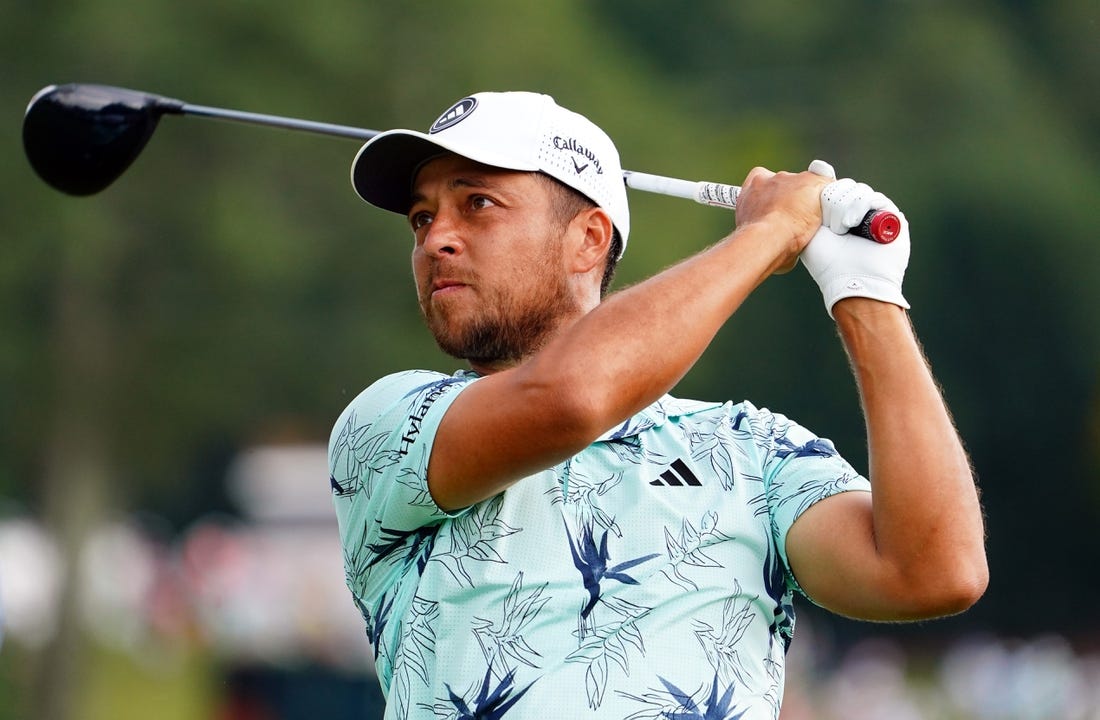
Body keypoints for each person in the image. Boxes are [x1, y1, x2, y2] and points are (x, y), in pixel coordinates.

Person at [328, 91, 987, 720]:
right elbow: (570, 399)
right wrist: (772, 232)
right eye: (422, 218)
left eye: (477, 204)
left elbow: (932, 572)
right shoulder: (389, 423)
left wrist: (863, 290)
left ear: (589, 239)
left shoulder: (751, 450)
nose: (435, 238)